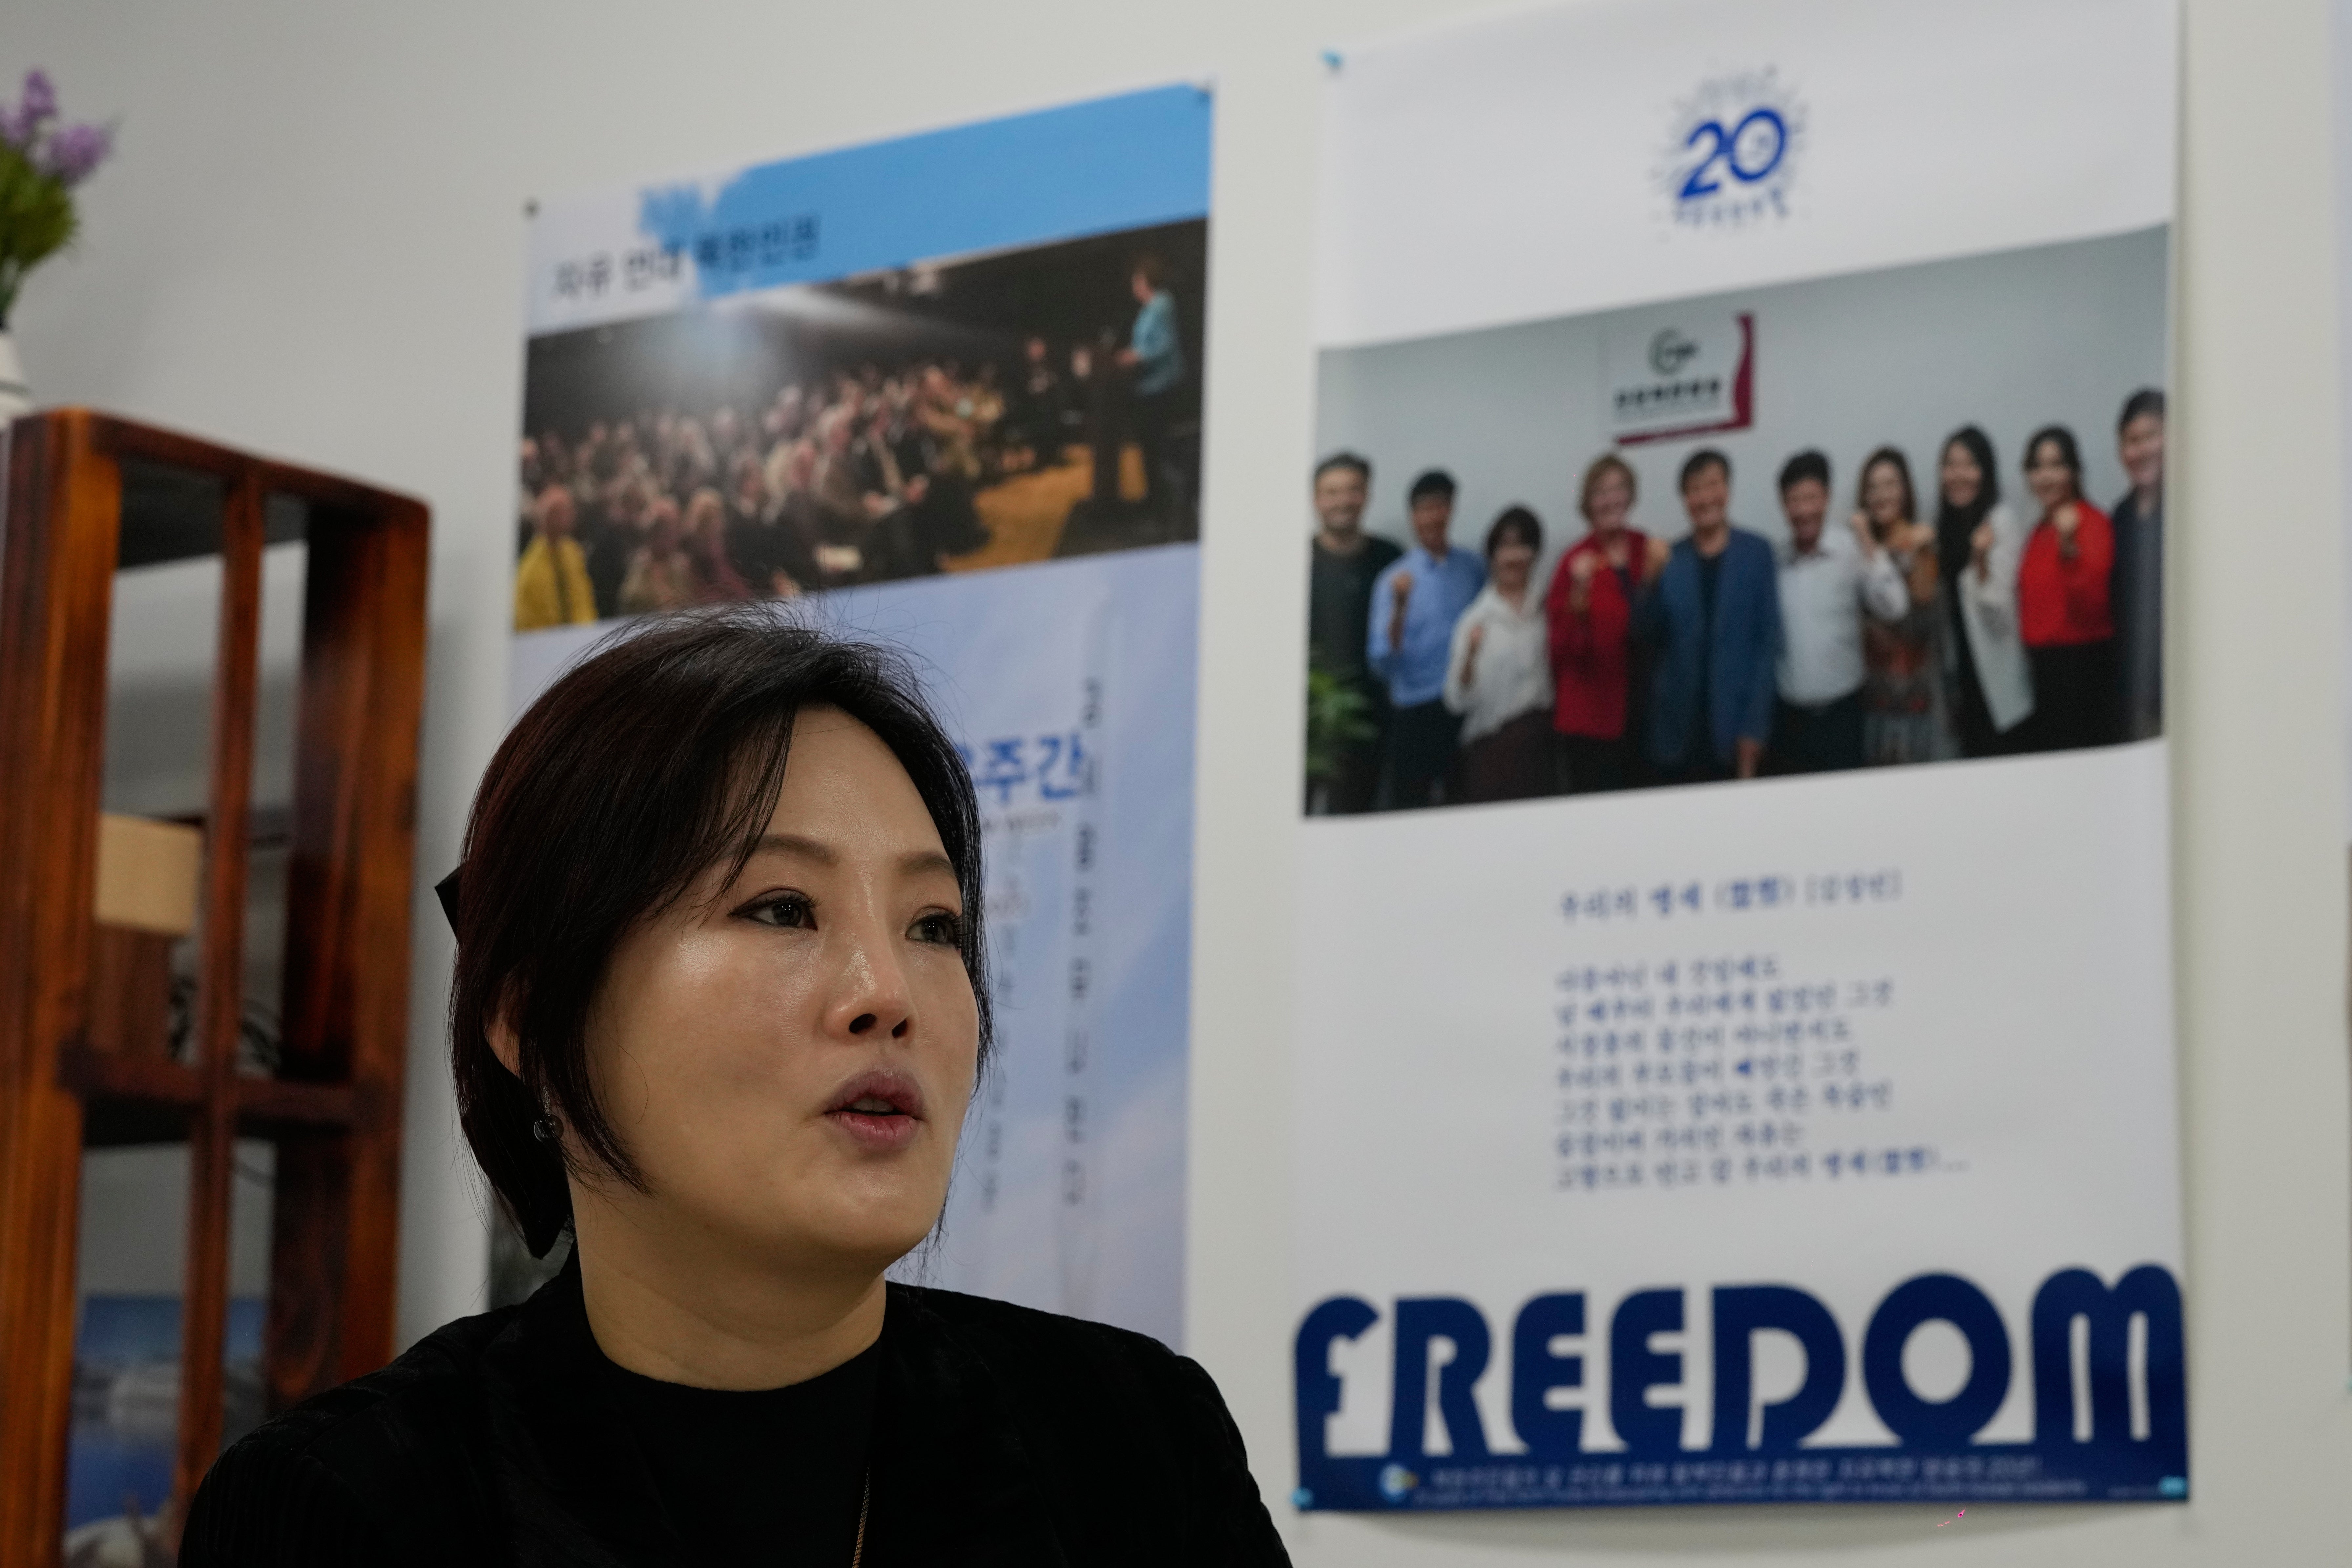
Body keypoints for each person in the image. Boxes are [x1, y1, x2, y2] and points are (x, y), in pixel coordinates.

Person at [181, 611, 1289, 1566]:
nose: (886, 991)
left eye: (933, 924)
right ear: (528, 1014)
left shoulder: (1131, 1436)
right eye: (781, 906)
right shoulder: (352, 1503)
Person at [1634, 450, 1780, 783]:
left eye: (1712, 485)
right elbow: (1644, 634)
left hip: (1733, 728)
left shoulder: (1757, 552)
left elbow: (1767, 644)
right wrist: (1649, 581)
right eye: (1694, 489)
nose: (1704, 498)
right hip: (1675, 730)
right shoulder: (1671, 557)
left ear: (1727, 490)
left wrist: (1754, 726)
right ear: (1685, 499)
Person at [1769, 450, 1908, 774]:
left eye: (1811, 498)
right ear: (1783, 505)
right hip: (1789, 721)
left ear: (1827, 498)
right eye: (1793, 500)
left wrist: (1867, 543)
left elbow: (1894, 607)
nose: (1803, 510)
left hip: (1843, 717)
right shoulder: (1775, 561)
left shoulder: (1850, 548)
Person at [1366, 470, 1485, 809]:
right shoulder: (1393, 579)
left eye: (1440, 506)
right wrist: (1400, 609)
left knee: (1465, 804)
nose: (1433, 516)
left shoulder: (1472, 567)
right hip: (1415, 711)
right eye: (1424, 508)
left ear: (1451, 510)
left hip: (1463, 707)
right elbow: (1381, 661)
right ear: (1412, 516)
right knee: (1410, 809)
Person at [1545, 453, 1653, 793]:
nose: (1610, 499)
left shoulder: (1646, 549)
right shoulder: (1573, 562)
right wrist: (1578, 598)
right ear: (1587, 504)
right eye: (1600, 492)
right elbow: (1558, 650)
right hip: (1590, 720)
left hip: (1643, 711)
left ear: (1631, 495)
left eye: (1618, 489)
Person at [1304, 453, 1401, 814]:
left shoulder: (1389, 558)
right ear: (1315, 500)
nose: (1342, 501)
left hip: (1369, 721)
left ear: (1366, 495)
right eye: (1330, 492)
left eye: (1352, 490)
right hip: (1308, 724)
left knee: (1353, 826)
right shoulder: (1296, 562)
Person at [2016, 425, 2119, 751]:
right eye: (2037, 466)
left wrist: (2069, 545)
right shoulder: (2037, 531)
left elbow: (2093, 609)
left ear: (2073, 471)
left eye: (2056, 465)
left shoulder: (2092, 523)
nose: (2045, 476)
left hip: (2080, 674)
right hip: (2043, 674)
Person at [1934, 426, 2034, 755]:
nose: (1957, 475)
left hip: (1996, 683)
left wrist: (1979, 560)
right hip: (1962, 678)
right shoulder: (1947, 527)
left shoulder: (2000, 522)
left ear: (1985, 471)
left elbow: (1998, 617)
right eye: (1950, 465)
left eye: (1968, 464)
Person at [1444, 506, 1555, 802]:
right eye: (1506, 546)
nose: (1515, 556)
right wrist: (1469, 657)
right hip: (1492, 749)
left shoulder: (1548, 606)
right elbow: (1456, 701)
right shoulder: (1475, 620)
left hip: (1543, 745)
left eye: (1523, 545)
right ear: (1492, 554)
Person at [1852, 447, 1952, 765]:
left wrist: (1918, 556)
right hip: (1874, 702)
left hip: (1918, 701)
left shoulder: (1920, 541)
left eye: (1890, 484)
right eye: (1873, 487)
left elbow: (1922, 619)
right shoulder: (1858, 550)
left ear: (1905, 490)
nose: (1881, 494)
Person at [2109, 388, 2165, 741]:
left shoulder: (2195, 506)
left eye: (2151, 437)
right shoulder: (2119, 516)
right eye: (2131, 441)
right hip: (2135, 693)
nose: (2141, 450)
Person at [1115, 255, 1184, 518]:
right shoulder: (1150, 308)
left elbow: (1163, 345)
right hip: (1147, 387)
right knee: (1148, 446)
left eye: (1137, 281)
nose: (1134, 287)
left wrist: (1135, 356)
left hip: (1160, 387)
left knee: (1155, 445)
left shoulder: (1161, 305)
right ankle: (1153, 495)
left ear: (1146, 282)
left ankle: (1161, 502)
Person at [514, 484, 596, 632]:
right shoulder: (531, 569)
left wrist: (586, 633)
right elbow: (530, 622)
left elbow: (583, 600)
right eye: (561, 512)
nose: (570, 516)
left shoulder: (573, 551)